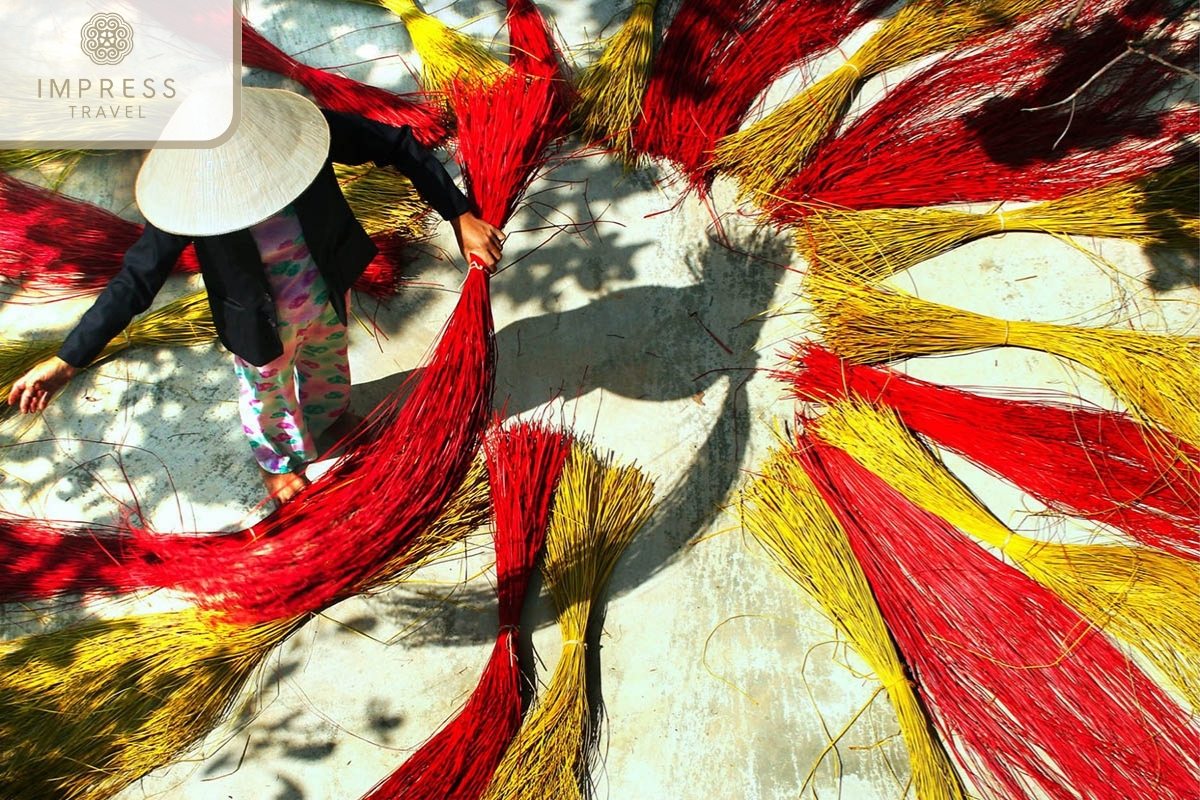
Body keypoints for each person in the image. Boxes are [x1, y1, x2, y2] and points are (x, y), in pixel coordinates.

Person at [7, 87, 503, 504]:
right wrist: (68, 361)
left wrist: (458, 214)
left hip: (326, 291)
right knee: (268, 392)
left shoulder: (300, 134)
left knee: (328, 365)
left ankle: (328, 419)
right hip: (257, 324)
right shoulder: (186, 198)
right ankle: (278, 459)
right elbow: (136, 279)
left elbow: (395, 143)